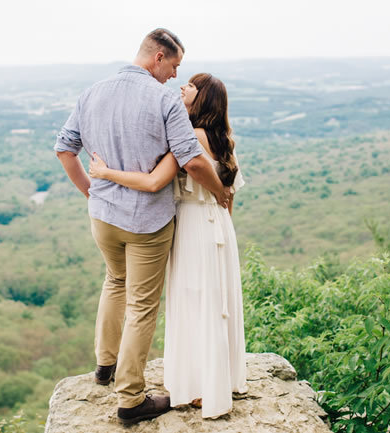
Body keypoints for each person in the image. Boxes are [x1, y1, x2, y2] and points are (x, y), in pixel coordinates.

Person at [53, 29, 230, 426]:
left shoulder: (92, 92)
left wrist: (91, 192)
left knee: (115, 282)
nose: (174, 76)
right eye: (174, 66)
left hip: (103, 217)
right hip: (146, 221)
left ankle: (104, 365)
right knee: (142, 306)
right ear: (159, 57)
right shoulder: (163, 98)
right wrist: (221, 192)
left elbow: (64, 148)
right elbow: (193, 160)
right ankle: (131, 398)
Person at [89, 73, 248, 419]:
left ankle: (198, 387)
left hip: (191, 225)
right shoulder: (225, 140)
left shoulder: (189, 136)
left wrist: (105, 173)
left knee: (193, 303)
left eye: (190, 85)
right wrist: (222, 222)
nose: (182, 87)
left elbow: (152, 181)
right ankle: (221, 380)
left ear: (202, 98)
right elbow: (229, 196)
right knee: (216, 301)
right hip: (219, 226)